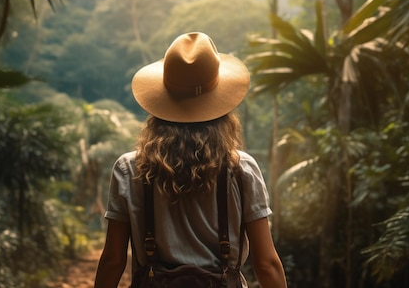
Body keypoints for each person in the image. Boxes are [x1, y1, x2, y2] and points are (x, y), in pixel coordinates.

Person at [94, 32, 287, 288]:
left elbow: (112, 261)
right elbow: (266, 264)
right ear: (221, 106)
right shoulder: (241, 169)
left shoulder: (129, 169)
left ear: (159, 102)